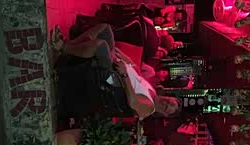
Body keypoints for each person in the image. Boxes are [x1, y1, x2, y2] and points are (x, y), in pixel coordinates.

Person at [51, 24, 181, 119]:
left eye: (166, 107)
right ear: (168, 96)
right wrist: (125, 59)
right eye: (169, 101)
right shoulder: (152, 91)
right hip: (119, 68)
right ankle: (69, 44)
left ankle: (62, 47)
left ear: (163, 113)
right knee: (105, 29)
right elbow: (138, 74)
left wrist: (124, 73)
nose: (165, 103)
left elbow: (133, 102)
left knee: (101, 46)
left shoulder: (149, 108)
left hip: (113, 82)